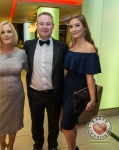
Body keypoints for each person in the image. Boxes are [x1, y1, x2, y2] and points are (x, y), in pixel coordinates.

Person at [24, 12, 68, 150]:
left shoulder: (62, 46)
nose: (44, 26)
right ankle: (37, 145)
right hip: (34, 92)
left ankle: (53, 146)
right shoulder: (28, 45)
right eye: (41, 23)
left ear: (53, 26)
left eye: (48, 23)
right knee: (36, 122)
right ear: (36, 25)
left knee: (54, 122)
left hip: (54, 93)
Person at [0, 21, 27, 150]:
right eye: (3, 32)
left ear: (14, 34)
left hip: (17, 96)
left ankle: (11, 146)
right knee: (0, 124)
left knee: (14, 122)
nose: (6, 34)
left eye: (9, 31)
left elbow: (30, 70)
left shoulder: (21, 54)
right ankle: (2, 145)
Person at [60, 14, 101, 150]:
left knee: (65, 127)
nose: (73, 29)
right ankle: (75, 147)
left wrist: (92, 99)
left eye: (77, 25)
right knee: (72, 124)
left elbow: (90, 77)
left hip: (78, 93)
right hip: (66, 91)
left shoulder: (89, 48)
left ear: (84, 27)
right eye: (71, 26)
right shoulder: (71, 46)